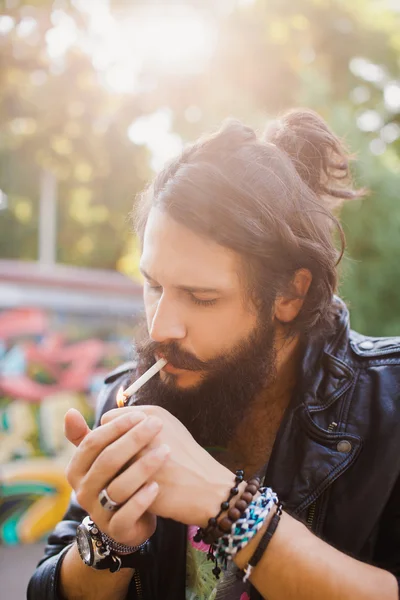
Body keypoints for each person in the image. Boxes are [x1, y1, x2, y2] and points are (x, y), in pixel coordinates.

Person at [28, 109, 400, 600]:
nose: (162, 328)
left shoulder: (388, 407)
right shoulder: (130, 398)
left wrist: (232, 508)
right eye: (154, 285)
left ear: (289, 294)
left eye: (201, 298)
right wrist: (110, 536)